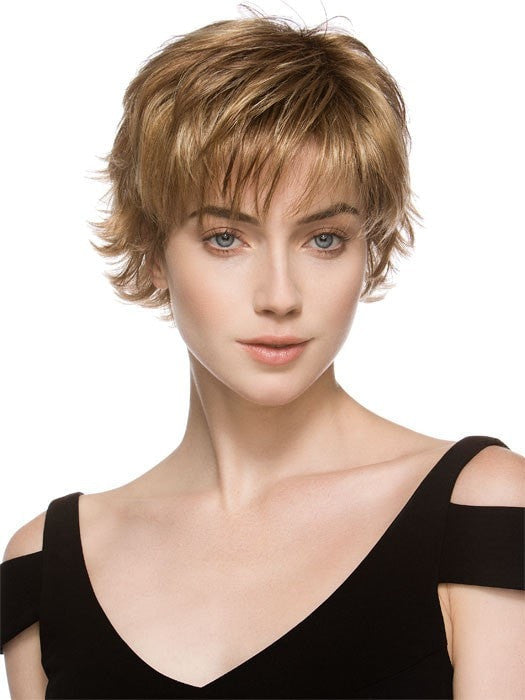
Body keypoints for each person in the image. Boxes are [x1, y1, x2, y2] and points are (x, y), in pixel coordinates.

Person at [1, 7, 523, 700]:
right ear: (153, 251)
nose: (280, 295)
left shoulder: (480, 507)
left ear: (368, 249)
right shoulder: (42, 567)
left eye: (323, 239)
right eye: (226, 238)